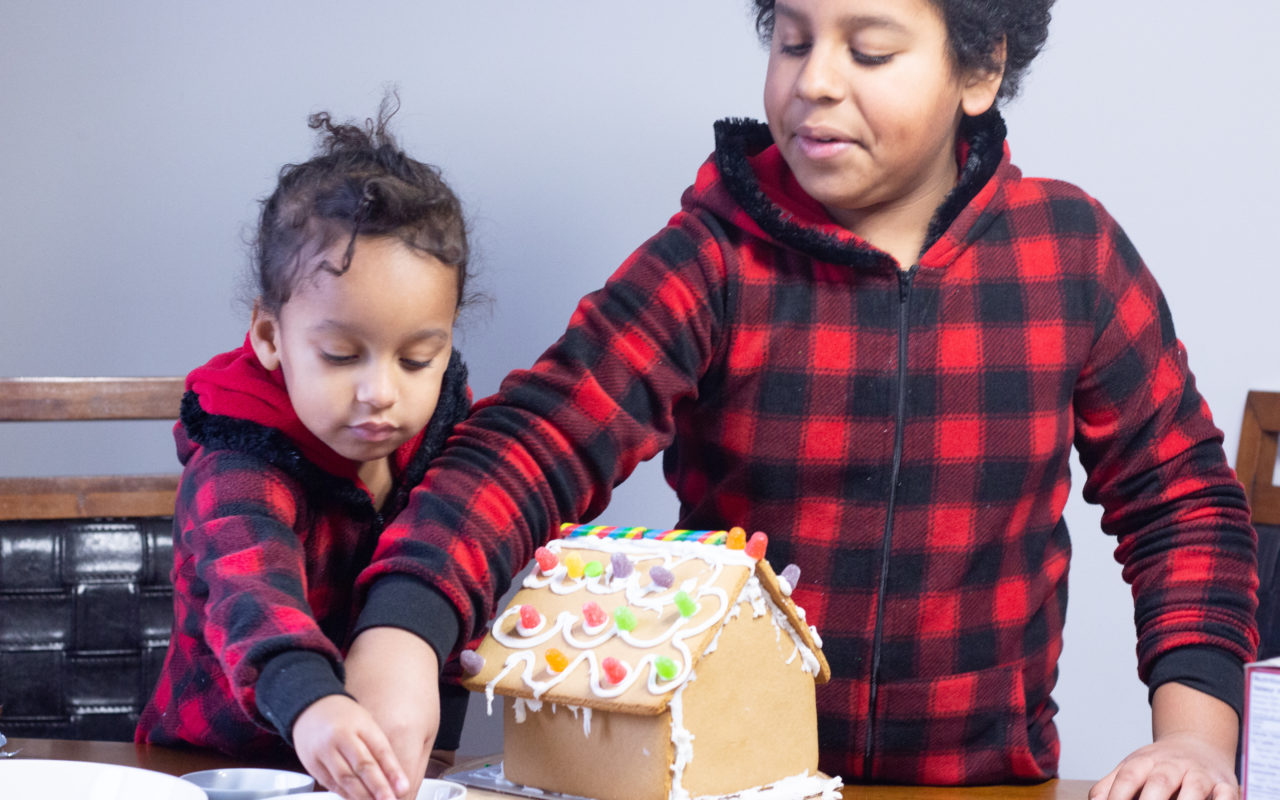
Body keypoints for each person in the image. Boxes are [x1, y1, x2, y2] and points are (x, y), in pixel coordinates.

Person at [354, 1, 1259, 798]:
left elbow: (1181, 505)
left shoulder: (1072, 253)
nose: (814, 81)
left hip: (981, 786)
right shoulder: (715, 258)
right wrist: (402, 630)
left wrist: (1193, 738)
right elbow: (533, 442)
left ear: (980, 69)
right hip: (734, 783)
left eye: (868, 52)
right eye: (791, 41)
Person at [136, 97, 475, 800]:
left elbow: (462, 552)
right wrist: (315, 703)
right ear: (270, 338)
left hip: (378, 773)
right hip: (213, 771)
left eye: (417, 360)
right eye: (342, 355)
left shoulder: (444, 441)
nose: (381, 392)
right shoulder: (235, 465)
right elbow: (250, 600)